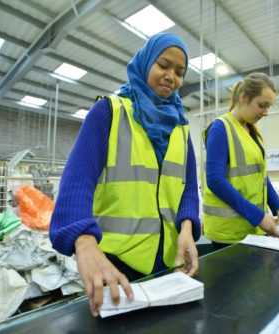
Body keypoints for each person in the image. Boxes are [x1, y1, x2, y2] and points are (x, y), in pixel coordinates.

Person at [49, 33, 201, 317]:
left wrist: (187, 227)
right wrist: (83, 243)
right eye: (164, 65)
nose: (171, 77)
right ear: (145, 63)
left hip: (168, 263)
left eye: (180, 73)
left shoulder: (181, 127)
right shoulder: (110, 111)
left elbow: (189, 187)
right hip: (114, 265)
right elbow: (76, 182)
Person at [202, 72, 279, 250]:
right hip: (229, 232)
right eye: (262, 105)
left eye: (268, 107)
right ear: (244, 97)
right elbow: (214, 180)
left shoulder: (252, 132)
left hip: (251, 227)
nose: (266, 112)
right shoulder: (221, 128)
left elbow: (261, 177)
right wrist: (258, 216)